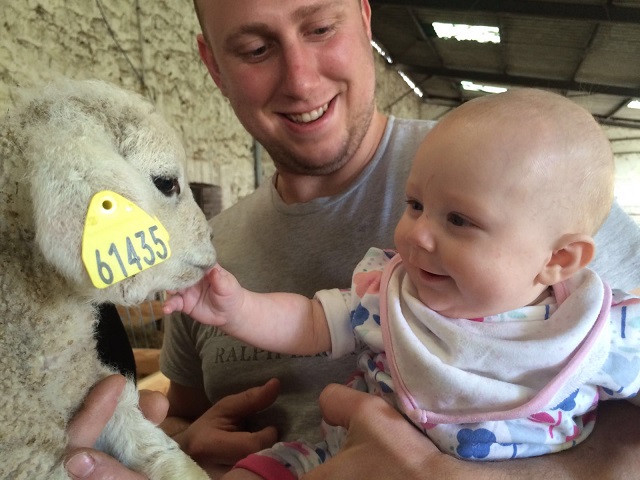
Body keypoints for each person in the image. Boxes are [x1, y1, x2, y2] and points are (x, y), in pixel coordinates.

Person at [64, 0, 640, 478]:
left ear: (365, 20)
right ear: (212, 64)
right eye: (256, 49)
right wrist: (180, 443)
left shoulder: (523, 178)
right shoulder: (206, 248)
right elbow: (192, 403)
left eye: (319, 28)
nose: (300, 79)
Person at [163, 89, 640, 478]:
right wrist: (239, 309)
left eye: (458, 219)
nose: (417, 234)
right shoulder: (390, 295)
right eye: (414, 205)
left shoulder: (604, 333)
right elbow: (309, 322)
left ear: (559, 258)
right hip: (343, 457)